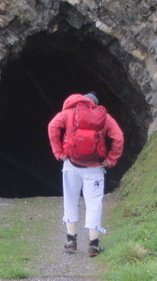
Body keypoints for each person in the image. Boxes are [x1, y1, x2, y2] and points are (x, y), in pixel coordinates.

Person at [47, 92, 124, 257]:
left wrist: (58, 152)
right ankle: (93, 245)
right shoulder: (104, 117)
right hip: (95, 168)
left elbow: (52, 126)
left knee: (70, 201)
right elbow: (119, 137)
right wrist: (111, 159)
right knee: (94, 204)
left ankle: (71, 241)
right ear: (95, 104)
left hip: (71, 165)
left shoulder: (68, 113)